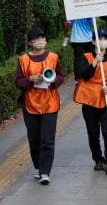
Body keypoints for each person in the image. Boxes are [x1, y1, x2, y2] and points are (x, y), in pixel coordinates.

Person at [15, 28, 65, 185]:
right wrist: (30, 79)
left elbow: (60, 76)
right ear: (30, 42)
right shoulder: (23, 60)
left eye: (42, 37)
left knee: (47, 140)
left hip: (50, 104)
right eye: (36, 38)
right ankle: (39, 166)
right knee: (34, 139)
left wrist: (53, 82)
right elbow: (18, 81)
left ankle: (45, 172)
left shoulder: (53, 57)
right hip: (30, 105)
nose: (40, 40)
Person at [73, 29, 107, 175]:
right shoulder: (85, 57)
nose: (103, 41)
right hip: (89, 101)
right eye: (99, 38)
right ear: (93, 42)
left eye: (105, 38)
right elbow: (83, 75)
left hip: (106, 100)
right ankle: (98, 159)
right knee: (93, 133)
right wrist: (94, 62)